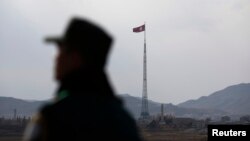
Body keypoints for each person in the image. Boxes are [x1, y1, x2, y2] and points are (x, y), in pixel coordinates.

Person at [23, 17, 143, 141]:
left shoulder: (51, 120)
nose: (56, 58)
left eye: (61, 51)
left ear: (75, 58)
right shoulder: (124, 122)